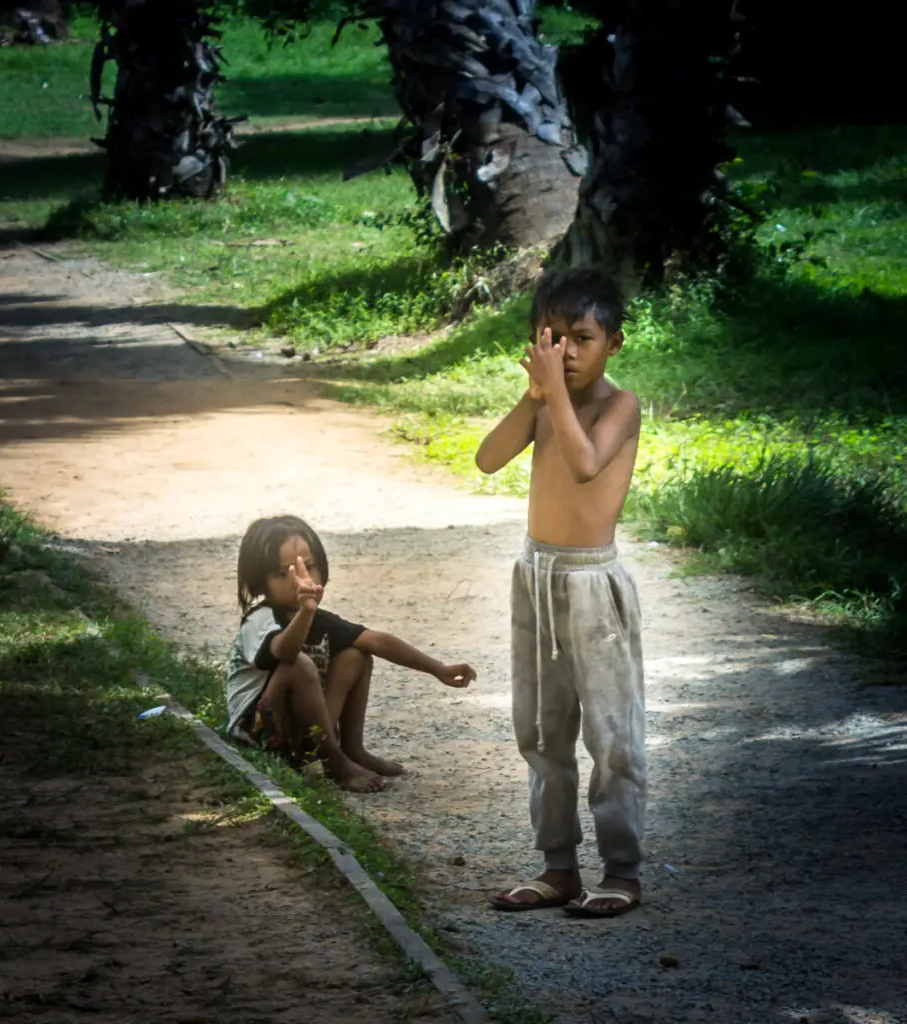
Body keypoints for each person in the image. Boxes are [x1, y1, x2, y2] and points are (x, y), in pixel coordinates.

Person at [475, 268, 646, 918]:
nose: (568, 352)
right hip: (536, 576)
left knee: (610, 734)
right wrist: (534, 397)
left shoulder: (619, 406)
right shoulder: (544, 403)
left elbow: (583, 464)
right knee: (541, 732)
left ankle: (622, 872)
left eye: (583, 337)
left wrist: (556, 398)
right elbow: (488, 459)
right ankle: (558, 868)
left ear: (614, 343)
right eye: (553, 337)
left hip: (591, 582)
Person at [225, 514, 477, 793]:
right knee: (296, 664)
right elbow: (284, 652)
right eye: (282, 574)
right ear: (259, 581)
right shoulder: (259, 621)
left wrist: (437, 668)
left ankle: (351, 748)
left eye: (307, 567)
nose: (299, 581)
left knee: (356, 653)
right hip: (257, 733)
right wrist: (306, 613)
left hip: (300, 733)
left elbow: (376, 640)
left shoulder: (317, 617)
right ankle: (335, 761)